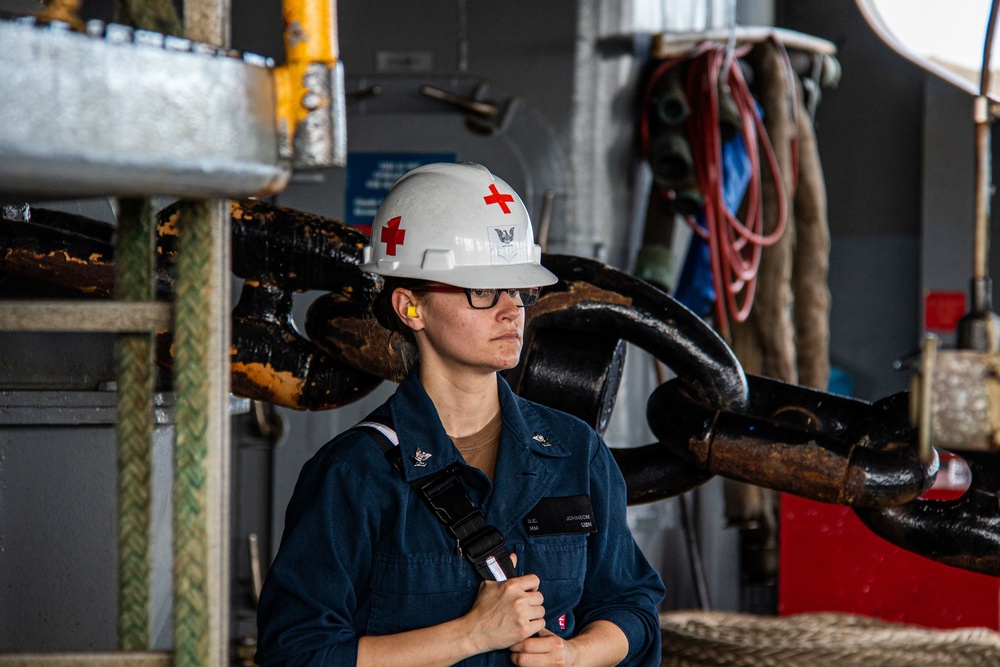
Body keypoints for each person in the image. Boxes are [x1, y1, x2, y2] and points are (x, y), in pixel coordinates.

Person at [256, 162, 665, 666]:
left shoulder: (575, 452)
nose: (511, 310)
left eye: (518, 289)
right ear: (411, 308)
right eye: (482, 290)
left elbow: (632, 606)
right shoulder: (354, 474)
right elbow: (297, 654)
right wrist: (471, 635)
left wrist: (574, 655)